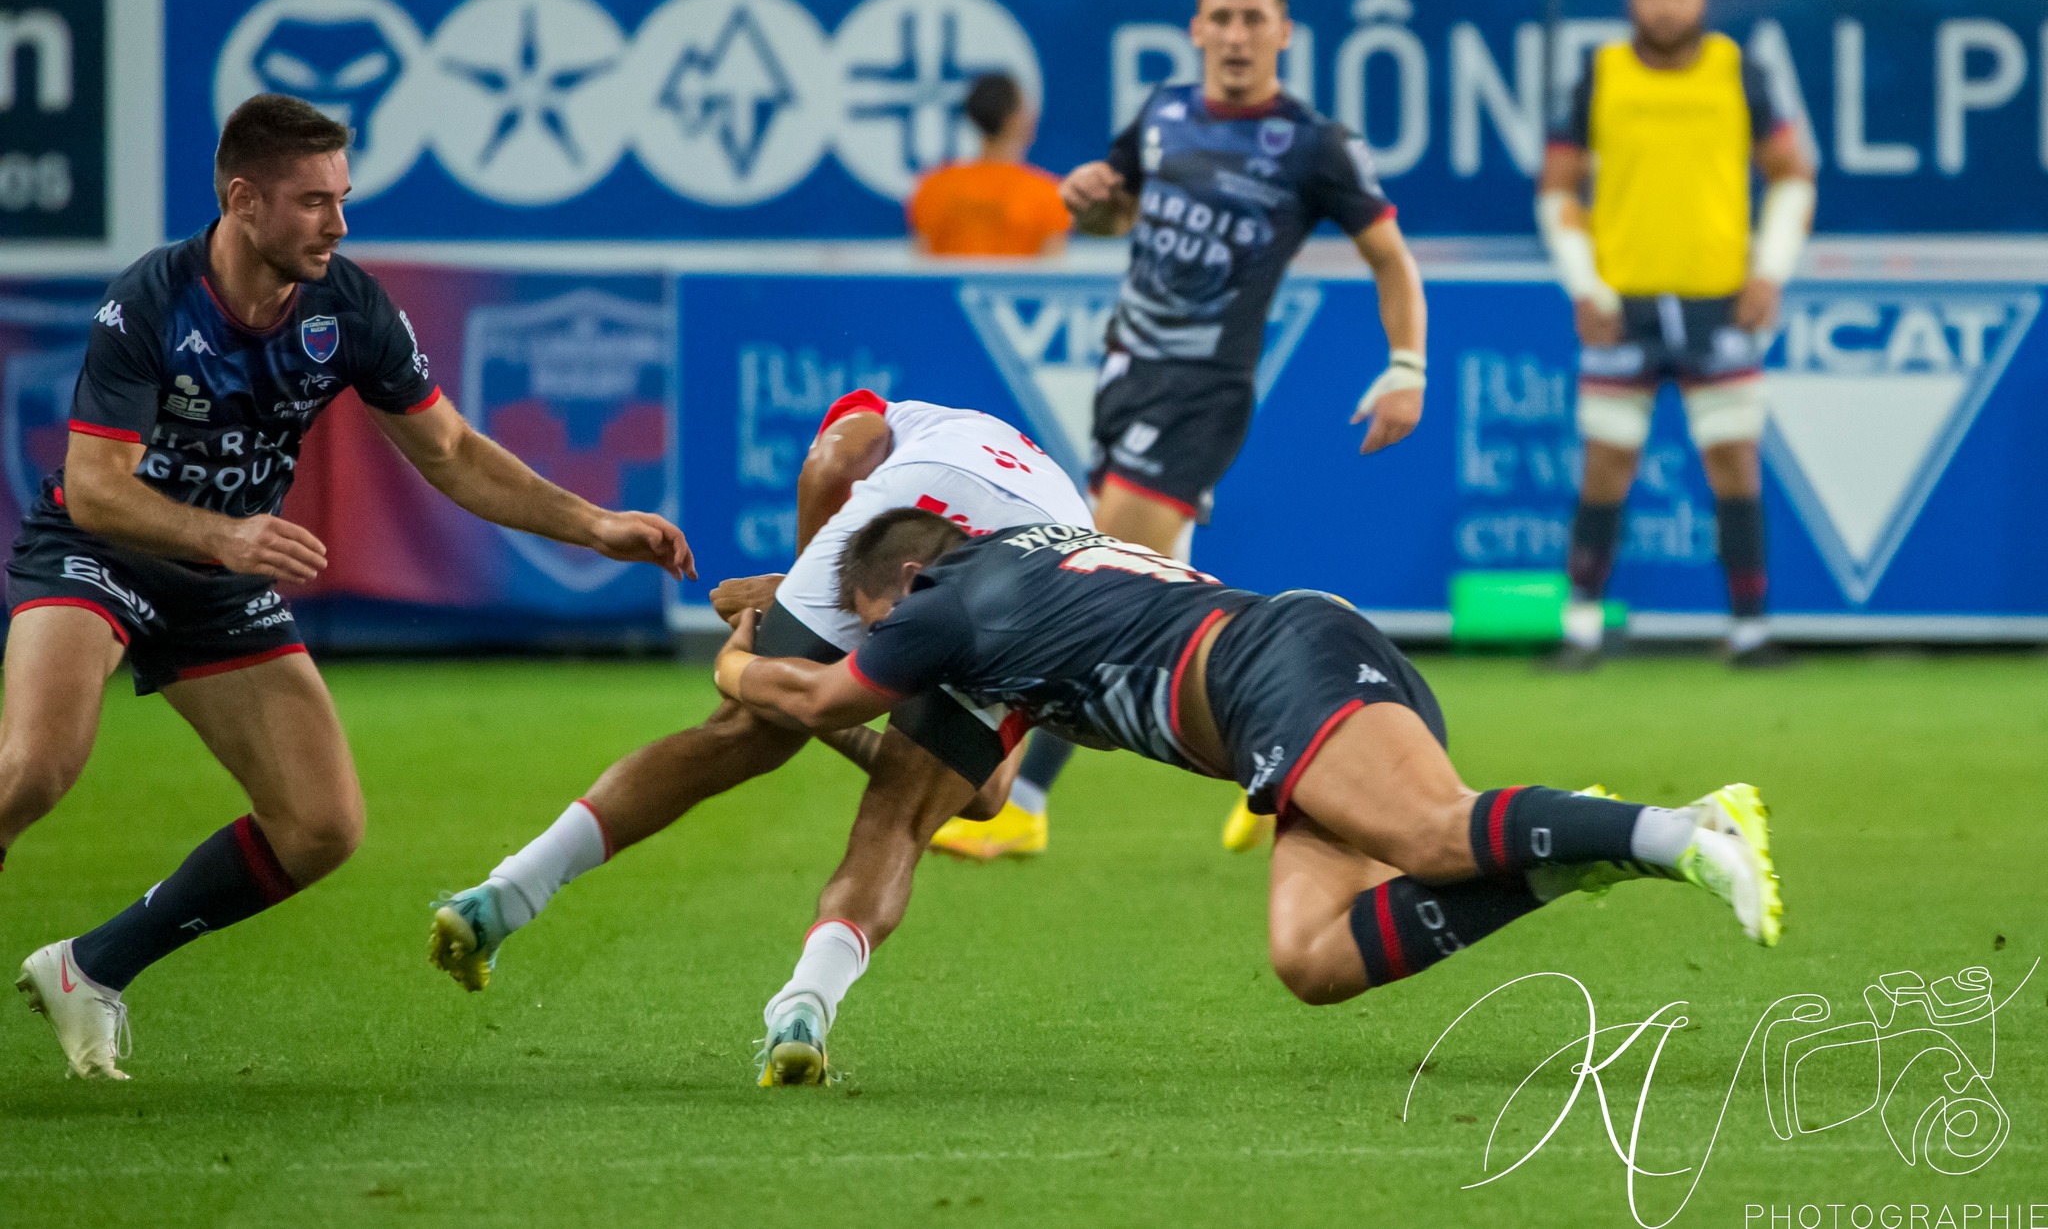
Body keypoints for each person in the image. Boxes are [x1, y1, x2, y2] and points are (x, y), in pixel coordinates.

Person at [3, 95, 693, 1081]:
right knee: (33, 768)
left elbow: (450, 451)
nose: (338, 222)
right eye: (313, 201)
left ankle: (91, 968)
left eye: (343, 197)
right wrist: (222, 532)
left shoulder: (347, 307)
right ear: (243, 201)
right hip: (100, 550)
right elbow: (102, 488)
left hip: (221, 574)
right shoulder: (151, 301)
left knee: (321, 826)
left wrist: (595, 525)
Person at [717, 509, 1783, 1084]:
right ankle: (1564, 851)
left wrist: (732, 668)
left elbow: (812, 698)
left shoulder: (946, 608)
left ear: (904, 588)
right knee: (1310, 957)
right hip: (1282, 674)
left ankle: (1680, 829)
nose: (886, 656)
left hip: (1270, 672)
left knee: (1426, 833)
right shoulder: (1010, 589)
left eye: (872, 627)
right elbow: (987, 790)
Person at [929, 0, 1430, 863]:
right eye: (1222, 19)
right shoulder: (1162, 115)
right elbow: (1121, 216)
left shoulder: (1316, 144)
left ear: (1285, 33)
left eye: (1254, 20)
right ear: (1197, 29)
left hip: (1202, 392)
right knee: (1163, 598)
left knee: (1085, 585)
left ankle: (1028, 801)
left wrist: (1407, 367)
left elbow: (1391, 258)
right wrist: (1092, 202)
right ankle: (1298, 741)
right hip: (1126, 377)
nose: (1237, 36)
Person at [426, 391, 1095, 1010]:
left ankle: (508, 893)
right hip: (1040, 556)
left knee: (744, 729)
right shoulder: (1051, 509)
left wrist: (799, 600)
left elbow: (831, 462)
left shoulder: (878, 415)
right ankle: (805, 1008)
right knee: (908, 804)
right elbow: (983, 793)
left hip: (953, 512)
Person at [1537, 0, 1815, 671]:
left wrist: (1769, 271)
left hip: (1717, 302)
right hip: (1620, 304)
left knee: (1734, 461)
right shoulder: (1601, 75)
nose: (1665, 2)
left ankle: (1750, 630)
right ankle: (1582, 628)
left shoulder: (1738, 72)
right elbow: (1558, 188)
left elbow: (1792, 175)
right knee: (1605, 466)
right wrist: (1584, 285)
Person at [905, 72, 1071, 258]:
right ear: (1016, 120)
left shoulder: (933, 188)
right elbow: (1052, 276)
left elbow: (920, 271)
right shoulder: (1048, 196)